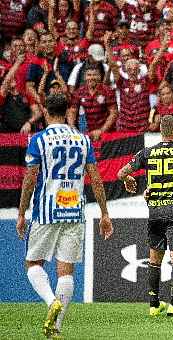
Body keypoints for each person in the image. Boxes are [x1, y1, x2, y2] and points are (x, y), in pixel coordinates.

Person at [16, 94, 113, 338]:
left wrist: (21, 213)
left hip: (46, 210)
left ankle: (51, 302)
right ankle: (56, 328)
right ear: (68, 111)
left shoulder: (38, 139)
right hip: (74, 210)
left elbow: (30, 179)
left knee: (33, 264)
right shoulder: (83, 140)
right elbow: (95, 177)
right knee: (65, 271)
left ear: (46, 112)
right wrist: (104, 213)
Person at [117, 115, 173, 317]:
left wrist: (129, 179)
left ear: (160, 130)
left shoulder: (147, 152)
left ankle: (153, 304)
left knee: (154, 260)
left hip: (155, 212)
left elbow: (121, 173)